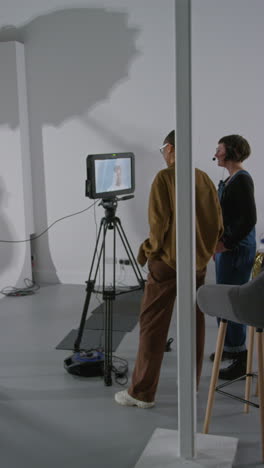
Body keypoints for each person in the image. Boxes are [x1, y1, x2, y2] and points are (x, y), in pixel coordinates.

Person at [114, 130, 223, 408]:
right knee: (195, 326)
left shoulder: (165, 178)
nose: (162, 154)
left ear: (171, 148)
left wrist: (148, 251)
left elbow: (159, 225)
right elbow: (217, 225)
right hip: (197, 265)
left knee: (153, 325)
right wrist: (202, 254)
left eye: (162, 149)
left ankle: (141, 392)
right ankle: (191, 389)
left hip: (168, 263)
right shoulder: (203, 178)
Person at [211, 134, 257, 380]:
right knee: (225, 299)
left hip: (236, 250)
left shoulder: (241, 180)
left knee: (231, 301)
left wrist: (226, 244)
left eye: (219, 149)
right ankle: (229, 348)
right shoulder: (231, 179)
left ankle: (240, 356)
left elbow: (249, 219)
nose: (216, 153)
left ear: (229, 152)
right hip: (229, 249)